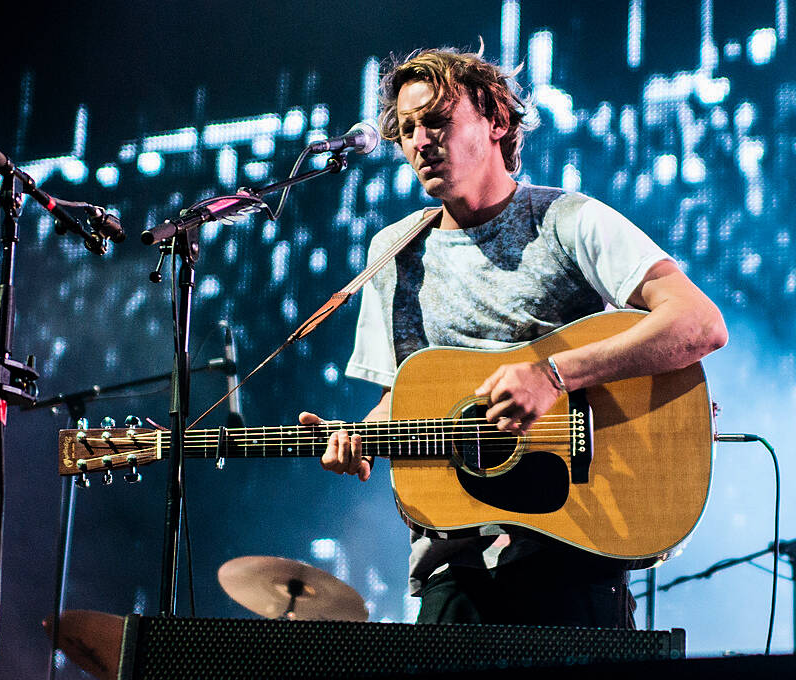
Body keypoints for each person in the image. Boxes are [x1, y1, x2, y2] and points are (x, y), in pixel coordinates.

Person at [298, 47, 727, 628]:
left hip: (579, 545)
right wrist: (355, 439)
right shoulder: (391, 256)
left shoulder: (570, 220)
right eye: (405, 129)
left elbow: (698, 323)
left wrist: (554, 376)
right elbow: (403, 400)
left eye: (436, 120)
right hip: (454, 568)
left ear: (497, 120)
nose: (419, 140)